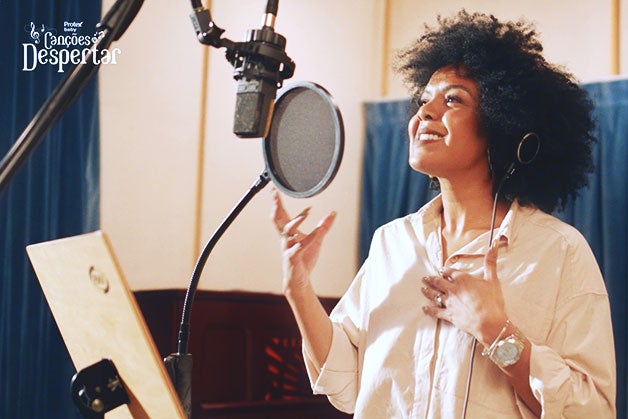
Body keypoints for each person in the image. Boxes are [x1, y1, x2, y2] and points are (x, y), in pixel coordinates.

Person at [271, 10, 616, 418]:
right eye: (423, 101)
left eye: (453, 99)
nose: (424, 113)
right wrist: (298, 288)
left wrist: (496, 332)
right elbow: (345, 380)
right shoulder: (391, 242)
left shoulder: (560, 252)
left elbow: (592, 409)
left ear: (503, 124)